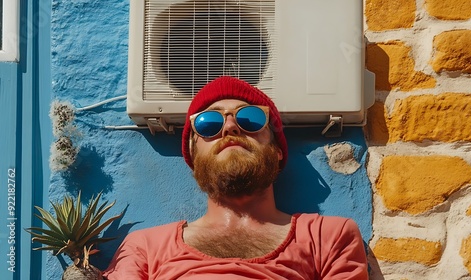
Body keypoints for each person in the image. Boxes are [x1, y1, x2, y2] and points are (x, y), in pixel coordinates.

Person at [103, 76, 368, 279]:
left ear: (277, 151)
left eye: (250, 119)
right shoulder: (145, 248)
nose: (230, 127)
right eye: (209, 124)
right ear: (193, 157)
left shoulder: (329, 237)